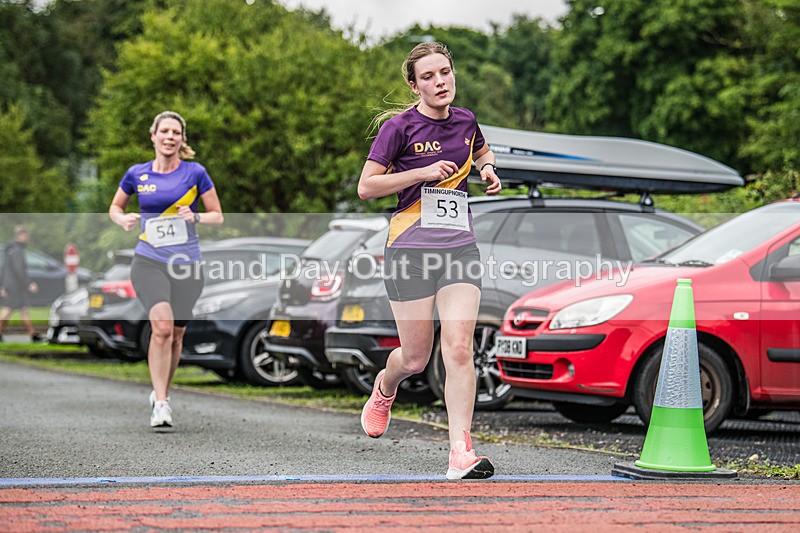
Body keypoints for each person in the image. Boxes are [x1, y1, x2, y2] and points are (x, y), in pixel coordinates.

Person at [358, 42, 502, 479]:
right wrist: (420, 173)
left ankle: (461, 451)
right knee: (416, 359)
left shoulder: (467, 120)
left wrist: (488, 168)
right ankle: (385, 387)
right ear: (414, 84)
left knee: (459, 348)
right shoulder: (399, 129)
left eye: (445, 72)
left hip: (459, 247)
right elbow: (367, 187)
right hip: (409, 251)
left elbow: (481, 151)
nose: (440, 82)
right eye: (428, 76)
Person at [108, 110, 223, 428]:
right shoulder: (137, 174)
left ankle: (163, 390)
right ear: (153, 135)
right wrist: (123, 219)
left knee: (175, 334)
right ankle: (161, 402)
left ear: (182, 139)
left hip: (186, 264)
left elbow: (218, 215)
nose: (170, 137)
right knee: (161, 327)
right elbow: (116, 206)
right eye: (165, 131)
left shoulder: (196, 173)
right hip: (149, 260)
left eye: (176, 132)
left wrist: (196, 217)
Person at [0, 225, 41, 343]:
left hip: (14, 285)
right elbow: (19, 269)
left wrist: (2, 284)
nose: (27, 238)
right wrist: (28, 283)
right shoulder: (17, 250)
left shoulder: (10, 249)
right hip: (15, 286)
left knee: (24, 310)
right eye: (26, 235)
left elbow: (4, 268)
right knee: (7, 310)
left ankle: (33, 334)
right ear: (21, 235)